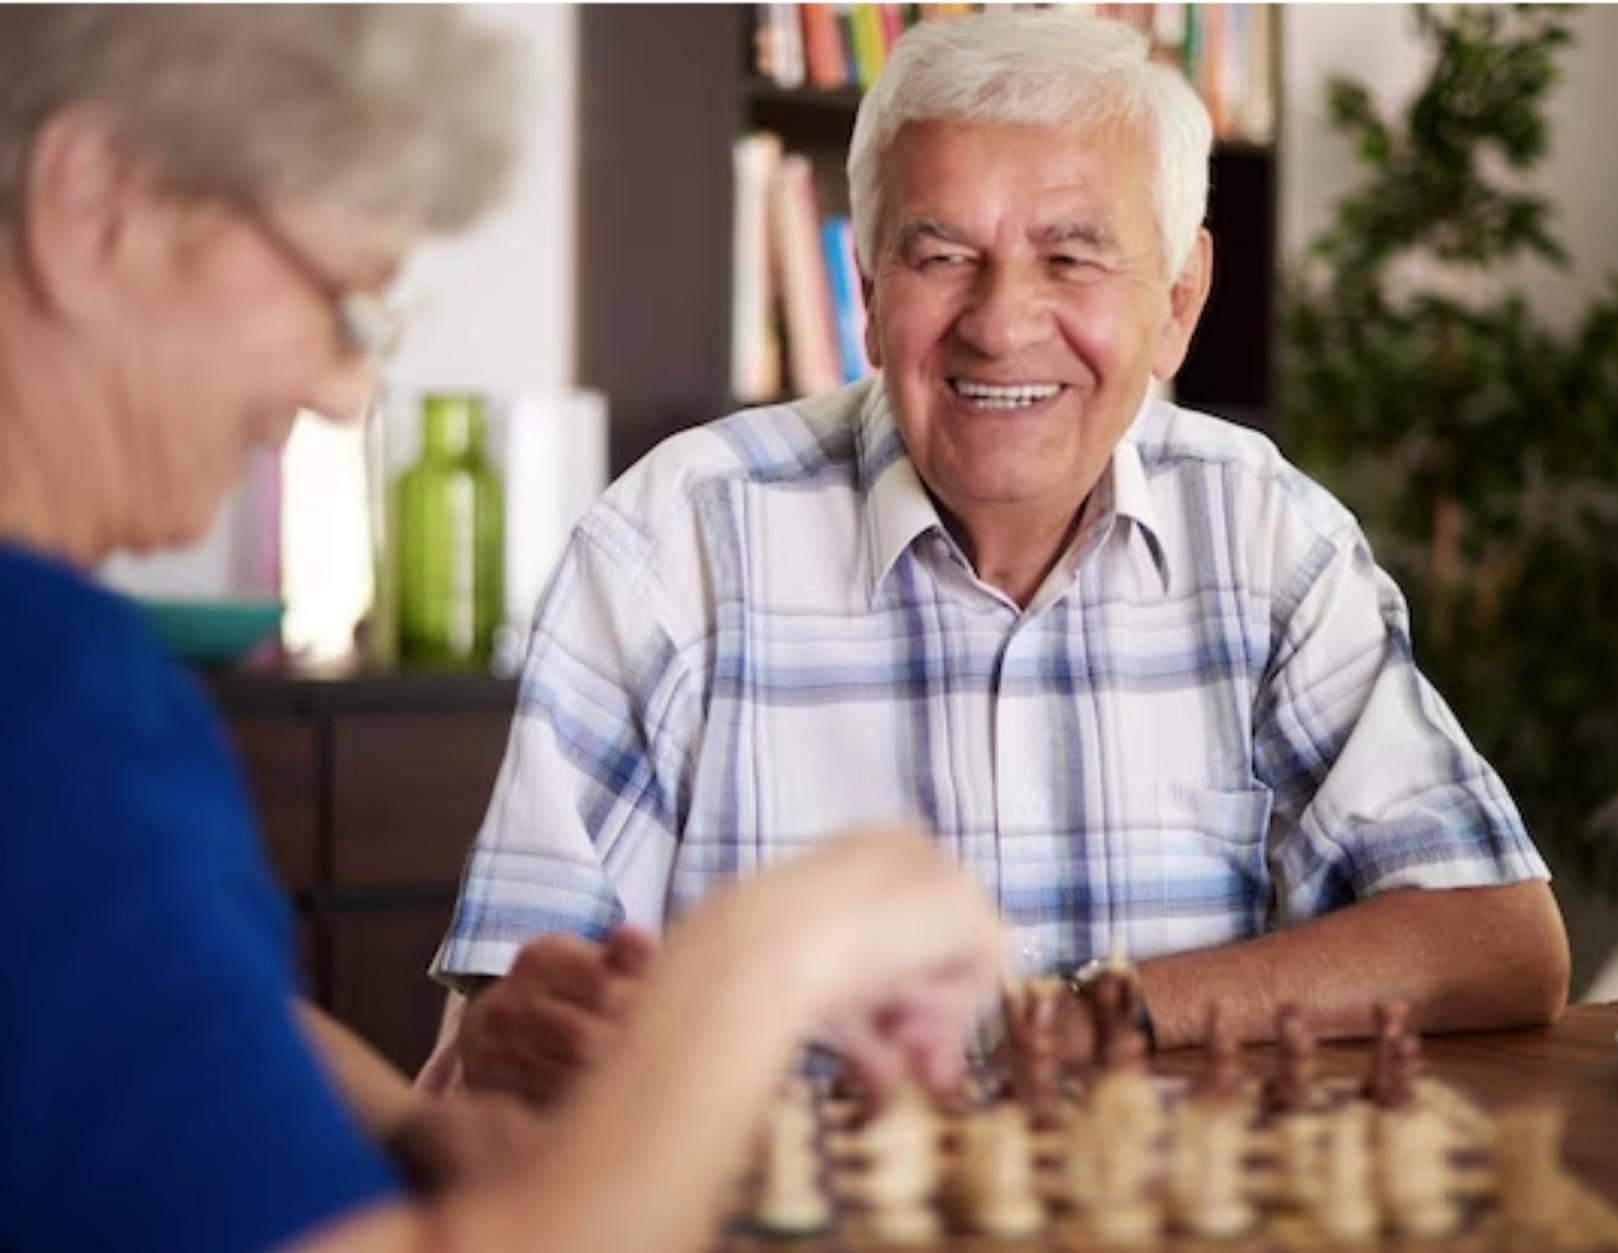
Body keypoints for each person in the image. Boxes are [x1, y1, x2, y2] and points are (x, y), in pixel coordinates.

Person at [0, 8, 1002, 1252]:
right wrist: (769, 955)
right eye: (343, 304)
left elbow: (127, 1005)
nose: (345, 388)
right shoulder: (53, 699)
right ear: (94, 206)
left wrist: (403, 1121)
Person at [430, 9, 1570, 1102]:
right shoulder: (668, 545)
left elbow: (1498, 939)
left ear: (1178, 303)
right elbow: (505, 1027)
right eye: (942, 256)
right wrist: (565, 1033)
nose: (1001, 323)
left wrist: (1108, 1012)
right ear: (868, 294)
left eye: (1072, 258)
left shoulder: (1271, 538)